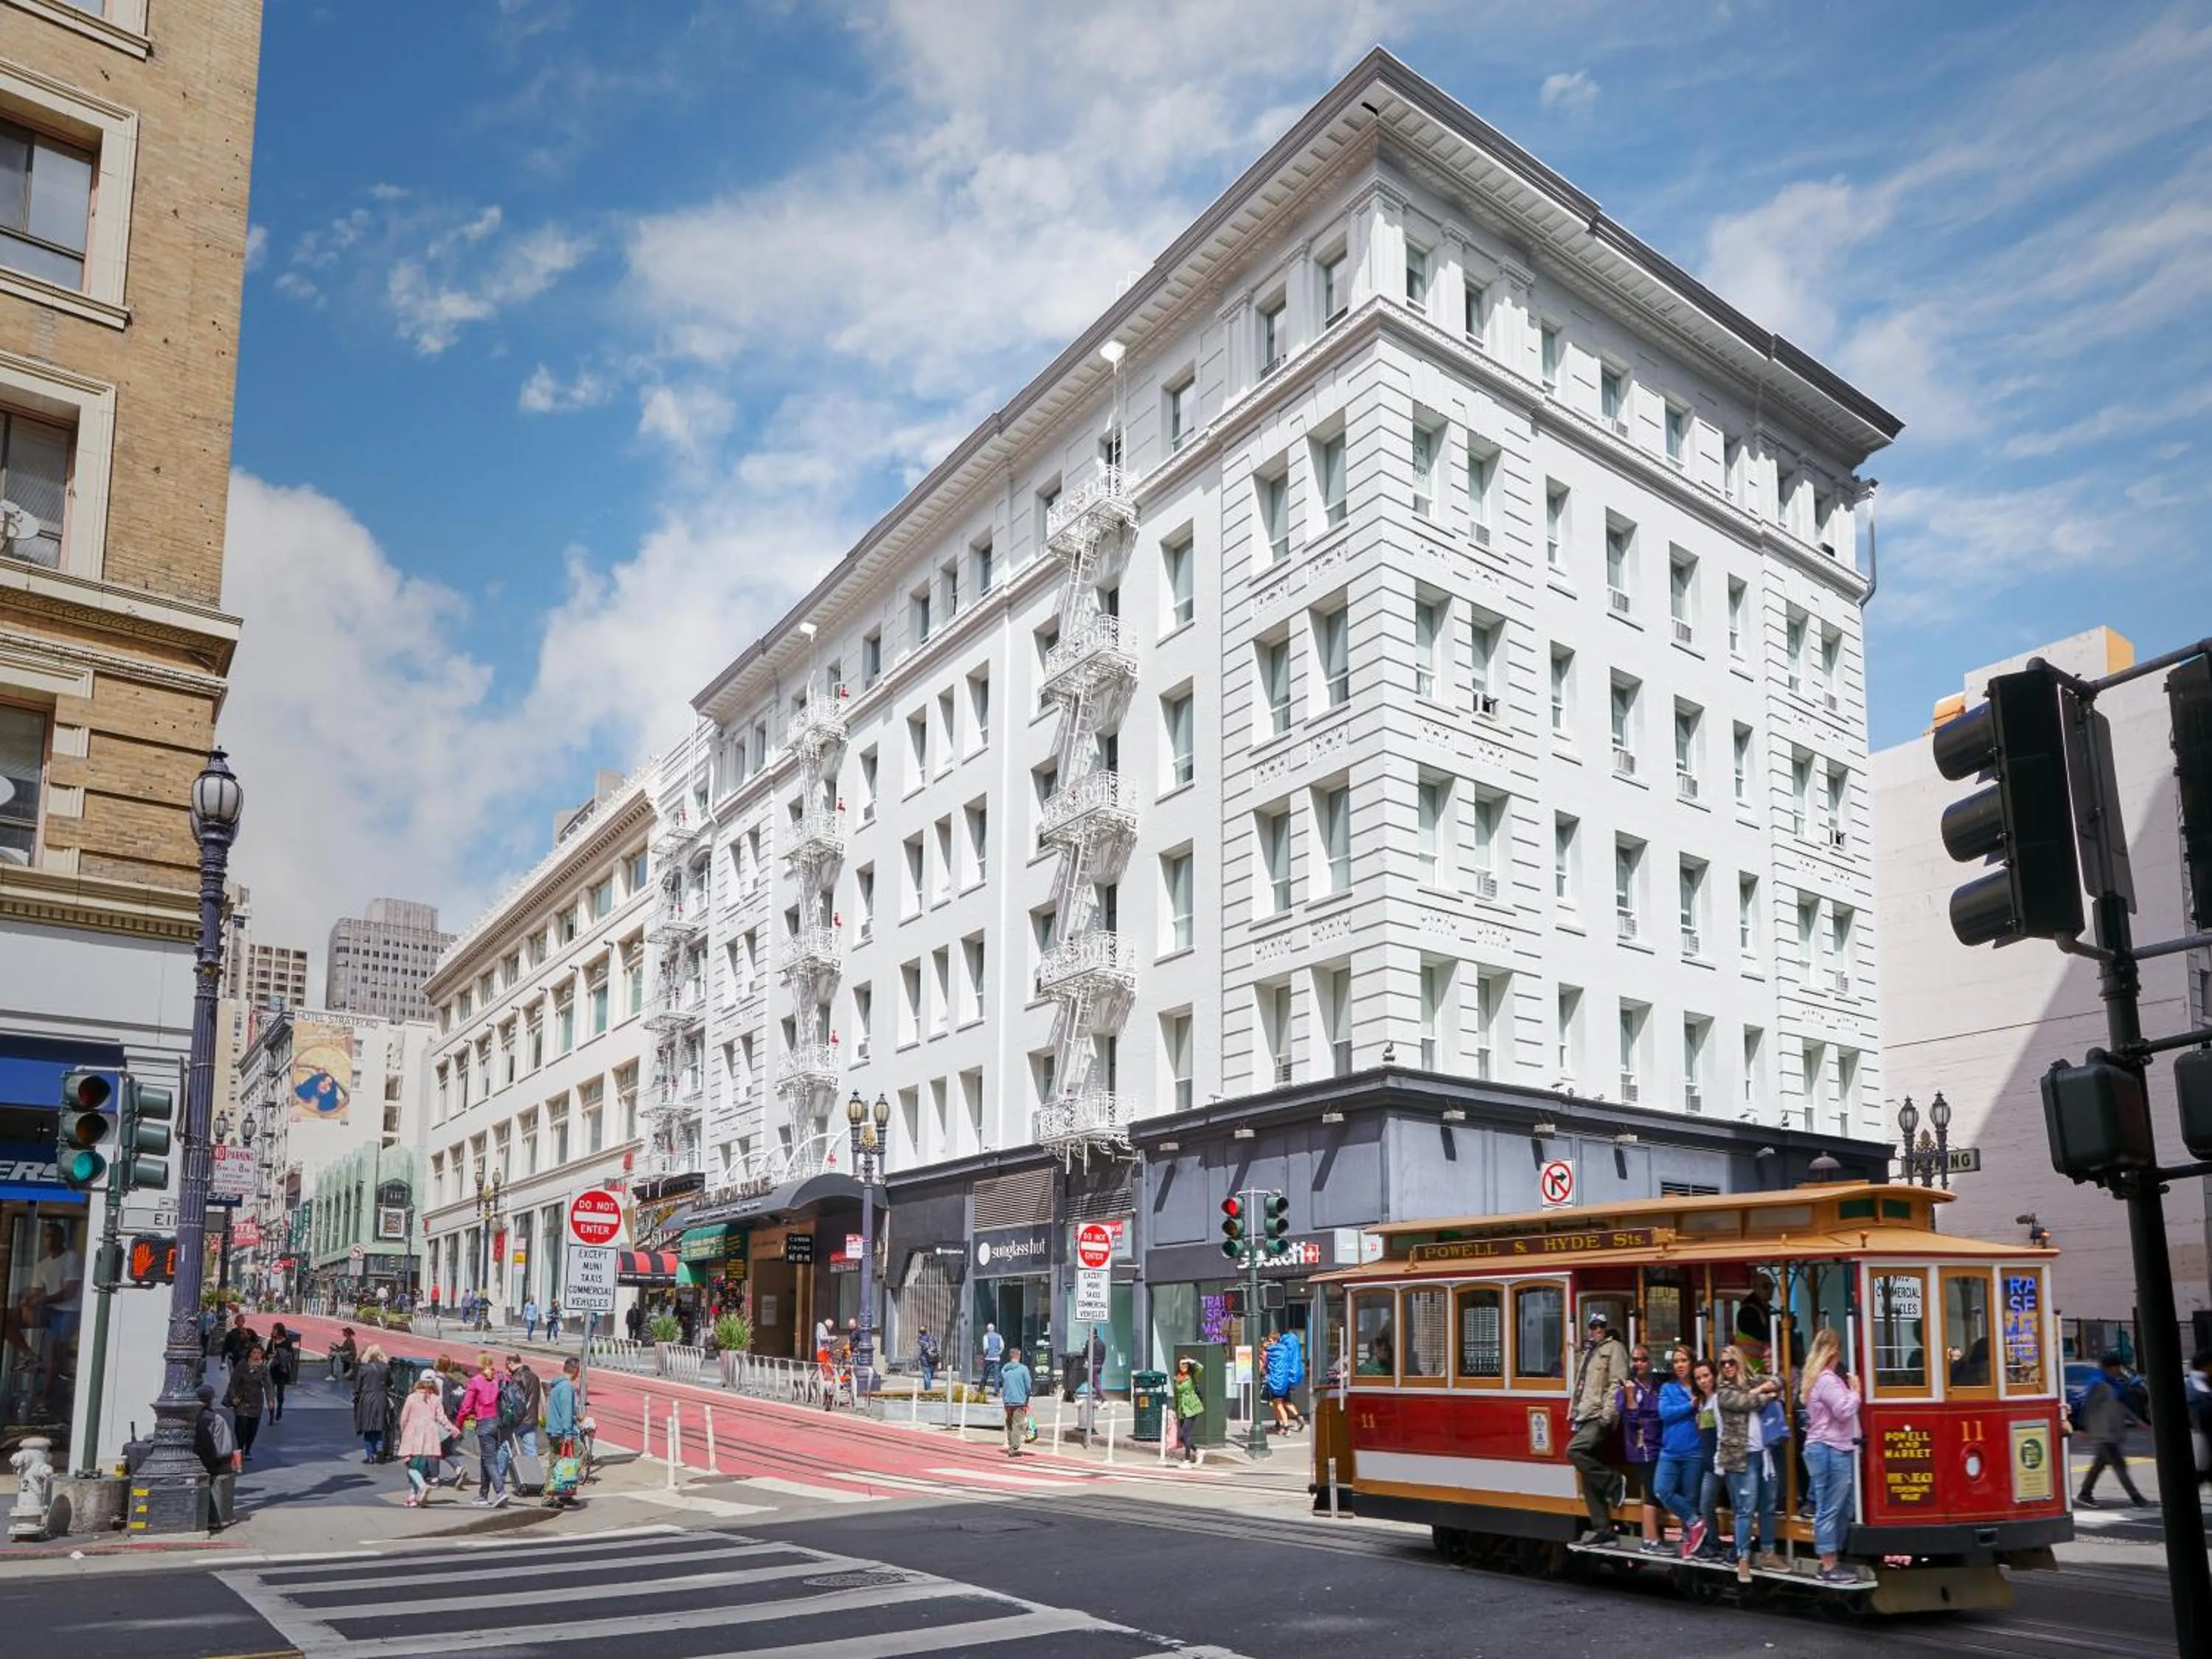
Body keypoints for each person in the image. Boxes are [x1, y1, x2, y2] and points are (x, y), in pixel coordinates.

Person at [1716, 1343, 1785, 1584]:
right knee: (1745, 1509)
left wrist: (1761, 1389)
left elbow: (1780, 1380)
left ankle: (1768, 1553)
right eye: (1723, 1363)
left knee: (1768, 1505)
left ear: (1740, 1362)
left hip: (1762, 1455)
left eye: (1731, 1362)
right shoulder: (1723, 1390)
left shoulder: (1753, 1380)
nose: (1727, 1367)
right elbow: (1745, 1403)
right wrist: (1763, 1395)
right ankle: (1743, 1558)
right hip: (1740, 1457)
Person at [1801, 1327, 1863, 1584]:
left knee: (1841, 1507)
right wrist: (1856, 1390)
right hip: (1830, 1448)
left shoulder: (1817, 1378)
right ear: (1834, 1352)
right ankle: (1827, 1565)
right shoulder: (1826, 1379)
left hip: (1831, 1447)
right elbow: (1843, 1409)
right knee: (1830, 1508)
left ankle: (1831, 1557)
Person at [1565, 1310, 1631, 1545]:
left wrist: (1607, 1415)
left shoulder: (1614, 1349)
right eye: (1593, 1326)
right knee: (1587, 1477)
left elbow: (1618, 1383)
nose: (1596, 1330)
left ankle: (1614, 1482)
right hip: (1584, 1416)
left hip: (1598, 1417)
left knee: (1574, 1452)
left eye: (1600, 1326)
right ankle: (1603, 1529)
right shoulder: (1589, 1351)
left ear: (1607, 1327)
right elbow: (1582, 1383)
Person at [2075, 1352, 2150, 1507]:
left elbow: (2120, 1406)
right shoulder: (2100, 1385)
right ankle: (2137, 1498)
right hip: (2104, 1433)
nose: (2119, 1370)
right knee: (2119, 1465)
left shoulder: (2113, 1385)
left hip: (2111, 1432)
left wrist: (2137, 1421)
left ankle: (2085, 1493)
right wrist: (2084, 1427)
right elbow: (2089, 1406)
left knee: (2099, 1464)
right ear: (2109, 1368)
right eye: (2117, 1367)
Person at [1655, 1345, 1708, 1559]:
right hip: (1670, 1452)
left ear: (1692, 1362)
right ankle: (1696, 1523)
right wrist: (1690, 1406)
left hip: (1694, 1452)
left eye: (1683, 1361)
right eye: (1676, 1362)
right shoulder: (1668, 1388)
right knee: (1662, 1490)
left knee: (1691, 1498)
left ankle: (1691, 1544)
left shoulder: (1701, 1387)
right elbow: (1665, 1414)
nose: (1679, 1365)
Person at [1616, 1343, 1666, 1554]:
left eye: (1643, 1359)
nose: (1639, 1364)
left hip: (1661, 1444)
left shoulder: (1657, 1386)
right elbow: (1629, 1419)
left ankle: (1655, 1536)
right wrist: (1629, 1398)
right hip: (1641, 1447)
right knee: (1651, 1490)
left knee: (1659, 1488)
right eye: (1635, 1360)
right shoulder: (1627, 1388)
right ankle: (1650, 1541)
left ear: (1650, 1361)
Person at [458, 1352, 511, 1507]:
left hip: (484, 1422)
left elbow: (466, 1407)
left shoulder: (476, 1381)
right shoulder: (500, 1379)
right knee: (486, 1458)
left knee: (489, 1460)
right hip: (498, 1421)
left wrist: (459, 1424)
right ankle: (483, 1494)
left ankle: (500, 1492)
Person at [396, 1372, 456, 1508]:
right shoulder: (435, 1399)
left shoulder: (411, 1398)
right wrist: (453, 1429)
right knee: (419, 1468)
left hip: (413, 1435)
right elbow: (442, 1418)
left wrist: (402, 1433)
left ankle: (423, 1487)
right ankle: (412, 1497)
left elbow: (403, 1419)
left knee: (411, 1466)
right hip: (430, 1437)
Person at [1690, 1356, 1726, 1560]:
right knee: (1706, 1504)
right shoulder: (1703, 1402)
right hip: (1709, 1462)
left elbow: (1720, 1433)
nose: (1703, 1381)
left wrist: (1718, 1461)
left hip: (1717, 1463)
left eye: (1706, 1376)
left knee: (1706, 1504)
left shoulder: (1717, 1400)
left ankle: (1714, 1544)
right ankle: (1713, 1542)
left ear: (1713, 1376)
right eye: (1698, 1378)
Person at [544, 1357, 581, 1507]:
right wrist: (568, 1434)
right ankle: (563, 1492)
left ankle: (552, 1495)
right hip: (563, 1432)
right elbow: (566, 1412)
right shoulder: (567, 1387)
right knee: (576, 1457)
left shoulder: (556, 1386)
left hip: (553, 1430)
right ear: (576, 1371)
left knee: (555, 1462)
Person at [225, 1340, 270, 1462]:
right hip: (242, 1400)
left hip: (256, 1401)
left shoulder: (264, 1368)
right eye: (254, 1353)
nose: (256, 1355)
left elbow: (268, 1385)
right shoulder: (242, 1365)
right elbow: (233, 1382)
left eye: (259, 1353)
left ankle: (248, 1448)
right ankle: (240, 1446)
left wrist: (271, 1400)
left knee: (253, 1426)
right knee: (242, 1424)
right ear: (250, 1354)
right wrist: (233, 1396)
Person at [353, 1343, 392, 1461]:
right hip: (381, 1398)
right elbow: (390, 1383)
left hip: (367, 1398)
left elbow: (357, 1387)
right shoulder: (386, 1368)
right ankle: (379, 1448)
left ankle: (370, 1455)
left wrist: (357, 1397)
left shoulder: (364, 1368)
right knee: (379, 1426)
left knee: (368, 1428)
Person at [1733, 1274, 1775, 1373]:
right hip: (1749, 1366)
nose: (1770, 1290)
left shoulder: (1767, 1308)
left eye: (1772, 1286)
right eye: (1766, 1286)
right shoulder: (1747, 1311)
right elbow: (1760, 1333)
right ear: (1755, 1288)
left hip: (1762, 1364)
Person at [999, 1344, 1034, 1457]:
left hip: (1007, 1400)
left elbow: (1003, 1383)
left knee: (1009, 1423)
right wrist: (1028, 1396)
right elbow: (1028, 1386)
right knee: (1017, 1424)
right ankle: (1014, 1449)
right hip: (1019, 1400)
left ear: (1010, 1356)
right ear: (1019, 1356)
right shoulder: (1023, 1369)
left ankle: (1011, 1445)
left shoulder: (1005, 1369)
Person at [1171, 1357, 1205, 1465]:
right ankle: (1198, 1451)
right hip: (1182, 1409)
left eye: (1186, 1365)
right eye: (1182, 1365)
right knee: (1181, 1436)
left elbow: (1200, 1368)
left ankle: (1187, 1460)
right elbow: (1176, 1395)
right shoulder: (1177, 1379)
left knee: (1186, 1432)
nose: (1184, 1367)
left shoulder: (1191, 1376)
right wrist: (1175, 1409)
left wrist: (1192, 1361)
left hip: (1191, 1407)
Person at [509, 1354, 544, 1458]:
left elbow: (514, 1400)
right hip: (532, 1418)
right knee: (530, 1448)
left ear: (510, 1363)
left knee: (506, 1446)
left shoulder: (517, 1378)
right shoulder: (535, 1376)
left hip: (520, 1419)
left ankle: (502, 1472)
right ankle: (533, 1472)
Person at [266, 1324, 298, 1423]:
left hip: (281, 1371)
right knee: (270, 1393)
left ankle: (280, 1406)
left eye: (275, 1329)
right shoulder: (272, 1342)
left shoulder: (287, 1342)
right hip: (272, 1370)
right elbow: (266, 1354)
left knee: (280, 1393)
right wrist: (269, 1356)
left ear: (279, 1331)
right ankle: (271, 1413)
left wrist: (280, 1354)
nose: (273, 1331)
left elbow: (290, 1356)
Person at [917, 1326, 941, 1394]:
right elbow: (937, 1348)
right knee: (930, 1374)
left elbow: (918, 1351)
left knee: (927, 1375)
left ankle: (928, 1391)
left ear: (920, 1332)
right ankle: (928, 1389)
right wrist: (939, 1358)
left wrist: (918, 1359)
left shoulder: (920, 1340)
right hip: (934, 1359)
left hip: (925, 1360)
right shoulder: (933, 1337)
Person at [982, 1323, 1005, 1395]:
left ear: (987, 1329)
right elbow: (1002, 1346)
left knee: (986, 1374)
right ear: (994, 1329)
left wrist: (985, 1355)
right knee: (996, 1375)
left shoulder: (986, 1336)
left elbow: (986, 1347)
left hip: (989, 1358)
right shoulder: (999, 1336)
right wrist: (999, 1353)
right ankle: (997, 1391)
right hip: (996, 1358)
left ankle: (982, 1388)